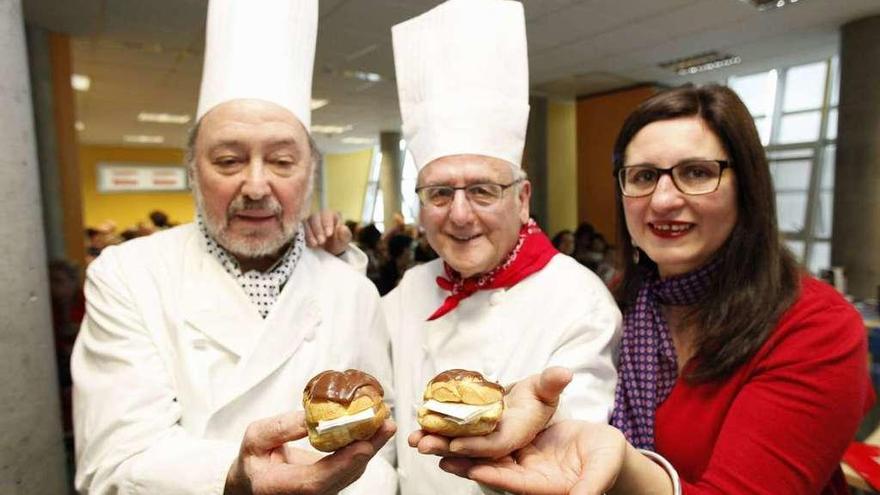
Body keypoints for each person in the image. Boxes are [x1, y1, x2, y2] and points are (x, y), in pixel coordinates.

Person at [435, 84, 874, 494]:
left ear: (749, 187)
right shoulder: (626, 298)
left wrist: (624, 468)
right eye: (643, 176)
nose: (663, 199)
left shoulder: (816, 326)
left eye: (697, 172)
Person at [71, 1, 395, 494]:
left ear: (310, 173)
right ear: (193, 171)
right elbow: (113, 462)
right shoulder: (129, 274)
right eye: (228, 160)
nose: (257, 185)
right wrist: (233, 476)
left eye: (283, 161)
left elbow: (380, 448)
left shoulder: (351, 289)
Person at [384, 1, 620, 493]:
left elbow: (571, 452)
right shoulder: (409, 289)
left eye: (483, 190)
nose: (461, 214)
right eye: (440, 193)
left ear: (523, 199)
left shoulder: (579, 298)